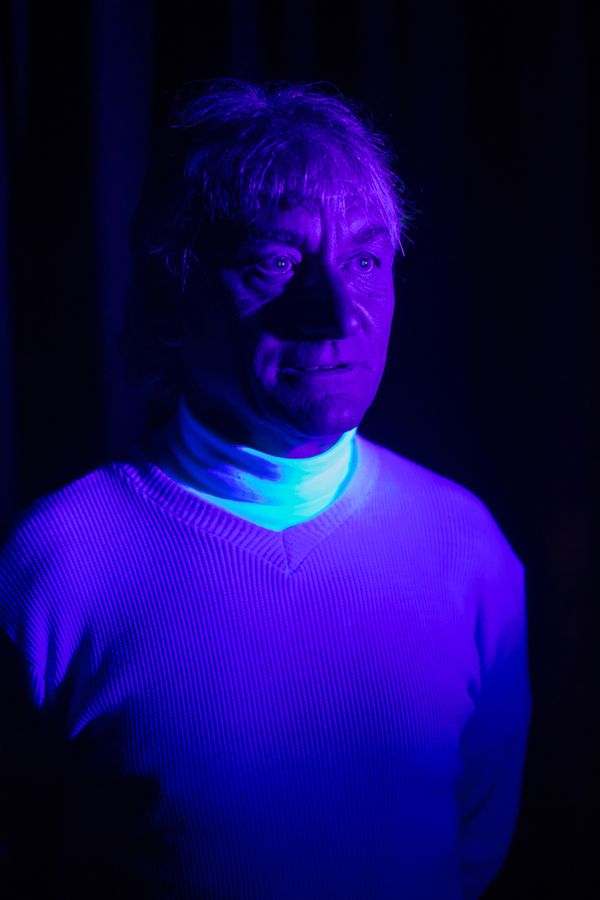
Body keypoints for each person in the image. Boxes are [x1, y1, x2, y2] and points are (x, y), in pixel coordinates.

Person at [0, 79, 531, 899]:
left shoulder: (469, 549)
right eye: (274, 264)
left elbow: (469, 852)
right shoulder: (53, 568)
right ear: (172, 297)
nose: (337, 313)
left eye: (364, 261)